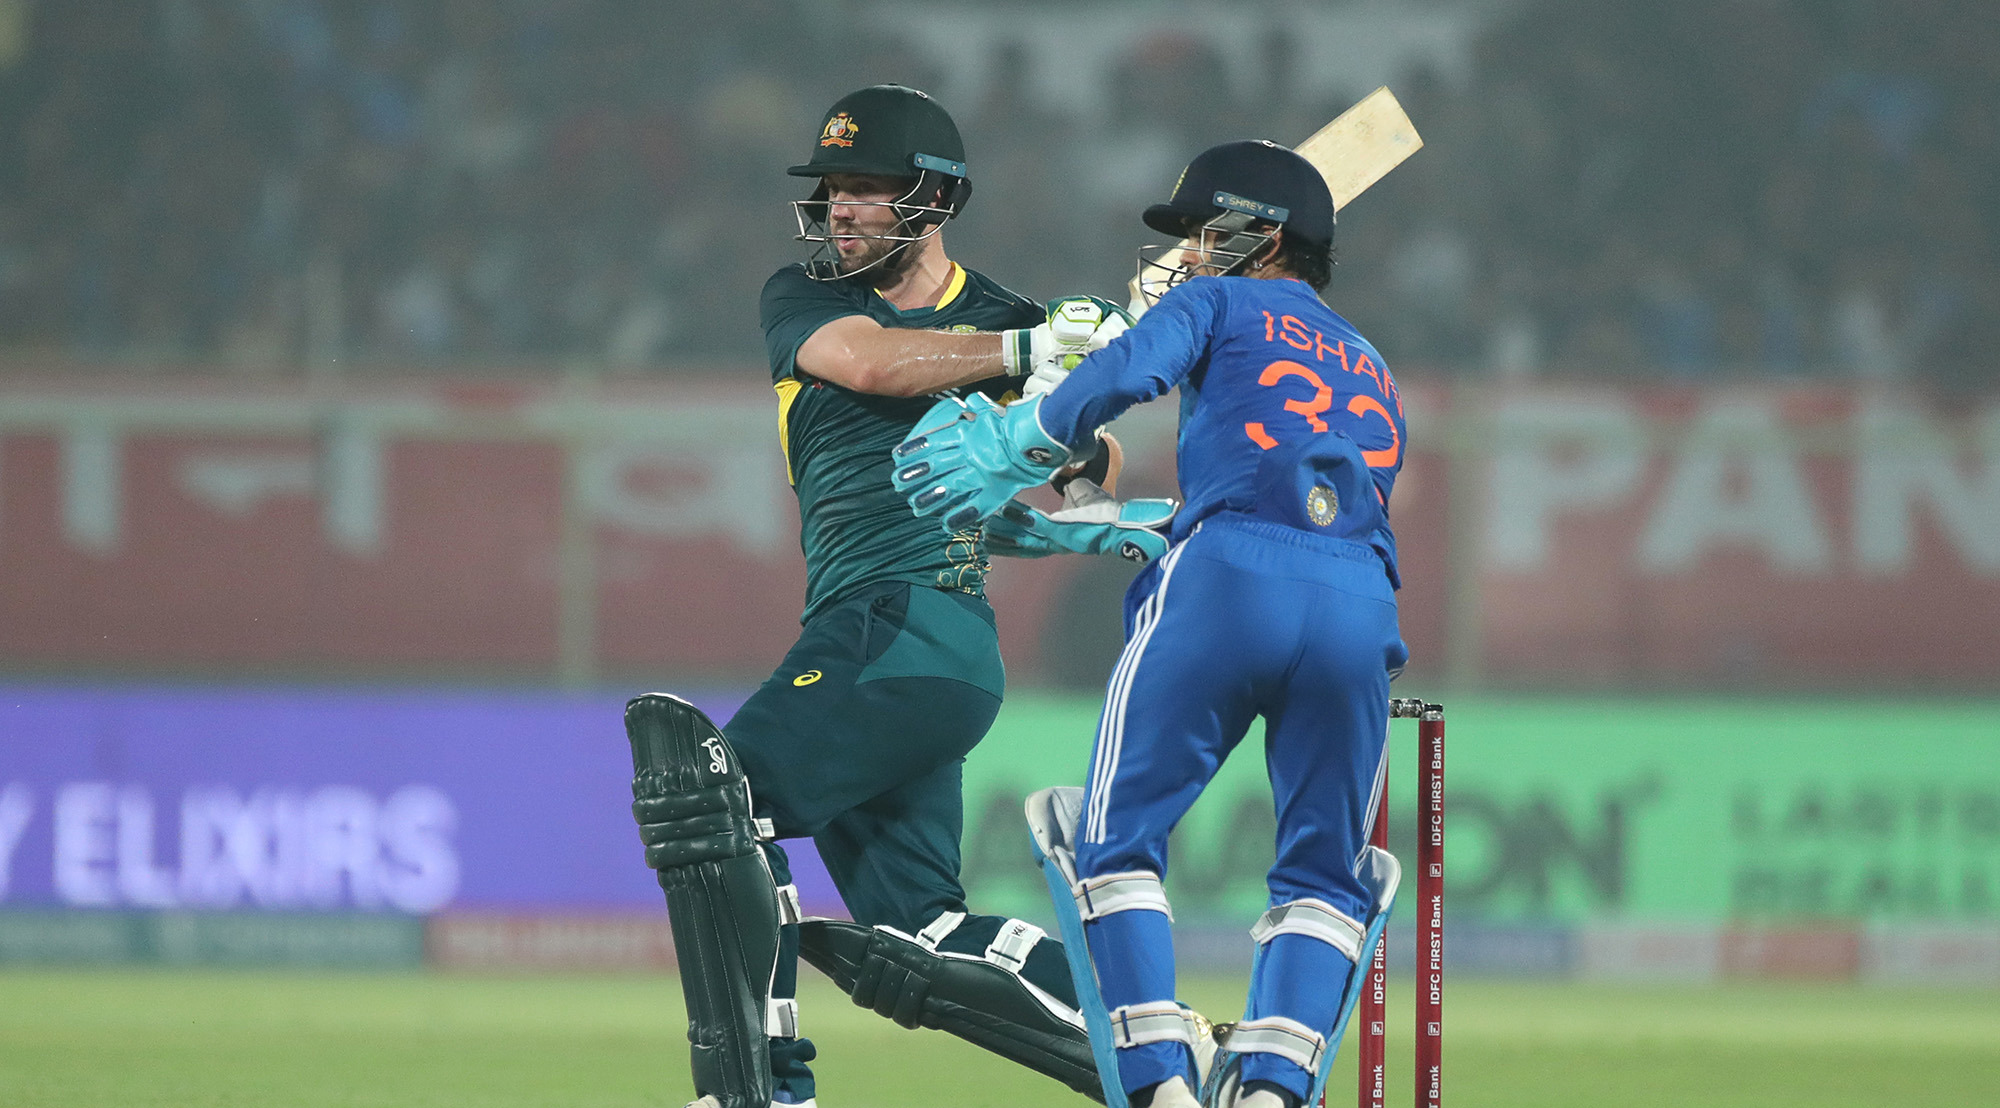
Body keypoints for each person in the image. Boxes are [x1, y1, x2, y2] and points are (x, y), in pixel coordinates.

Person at [621, 83, 1152, 1108]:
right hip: (896, 647)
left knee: (715, 794)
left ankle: (760, 1091)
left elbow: (1093, 465)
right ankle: (1151, 1041)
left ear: (935, 199)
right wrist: (1032, 352)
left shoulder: (1006, 318)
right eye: (832, 192)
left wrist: (1078, 436)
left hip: (907, 625)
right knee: (924, 932)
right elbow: (869, 365)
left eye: (867, 190)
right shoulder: (810, 301)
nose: (840, 211)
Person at [892, 139, 1410, 1108]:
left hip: (1222, 587)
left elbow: (1121, 377)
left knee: (1111, 841)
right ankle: (1269, 1088)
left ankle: (1159, 1084)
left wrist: (1015, 441)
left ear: (1260, 237)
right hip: (1358, 605)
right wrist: (1115, 520)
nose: (1189, 254)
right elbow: (1296, 502)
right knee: (1324, 875)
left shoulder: (1211, 301)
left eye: (1204, 231)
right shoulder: (1371, 363)